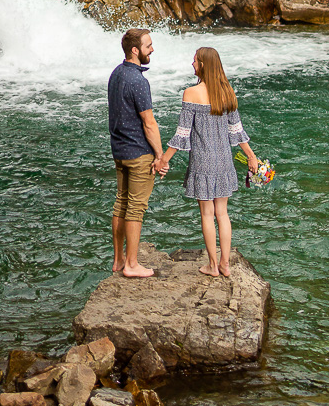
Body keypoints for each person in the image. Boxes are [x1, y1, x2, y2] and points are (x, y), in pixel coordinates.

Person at [157, 45, 258, 277]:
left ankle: (212, 266)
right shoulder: (227, 92)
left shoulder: (191, 94)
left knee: (206, 214)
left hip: (202, 161)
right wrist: (251, 156)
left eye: (195, 61)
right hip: (224, 160)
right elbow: (237, 131)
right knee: (222, 213)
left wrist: (163, 159)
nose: (192, 64)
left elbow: (182, 133)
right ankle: (225, 264)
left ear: (203, 64)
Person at [107, 27, 167, 279]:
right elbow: (149, 123)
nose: (152, 49)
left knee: (121, 202)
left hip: (119, 151)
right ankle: (132, 264)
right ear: (135, 50)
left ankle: (119, 259)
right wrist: (160, 156)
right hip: (139, 153)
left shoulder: (116, 74)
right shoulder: (138, 81)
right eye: (148, 46)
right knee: (135, 208)